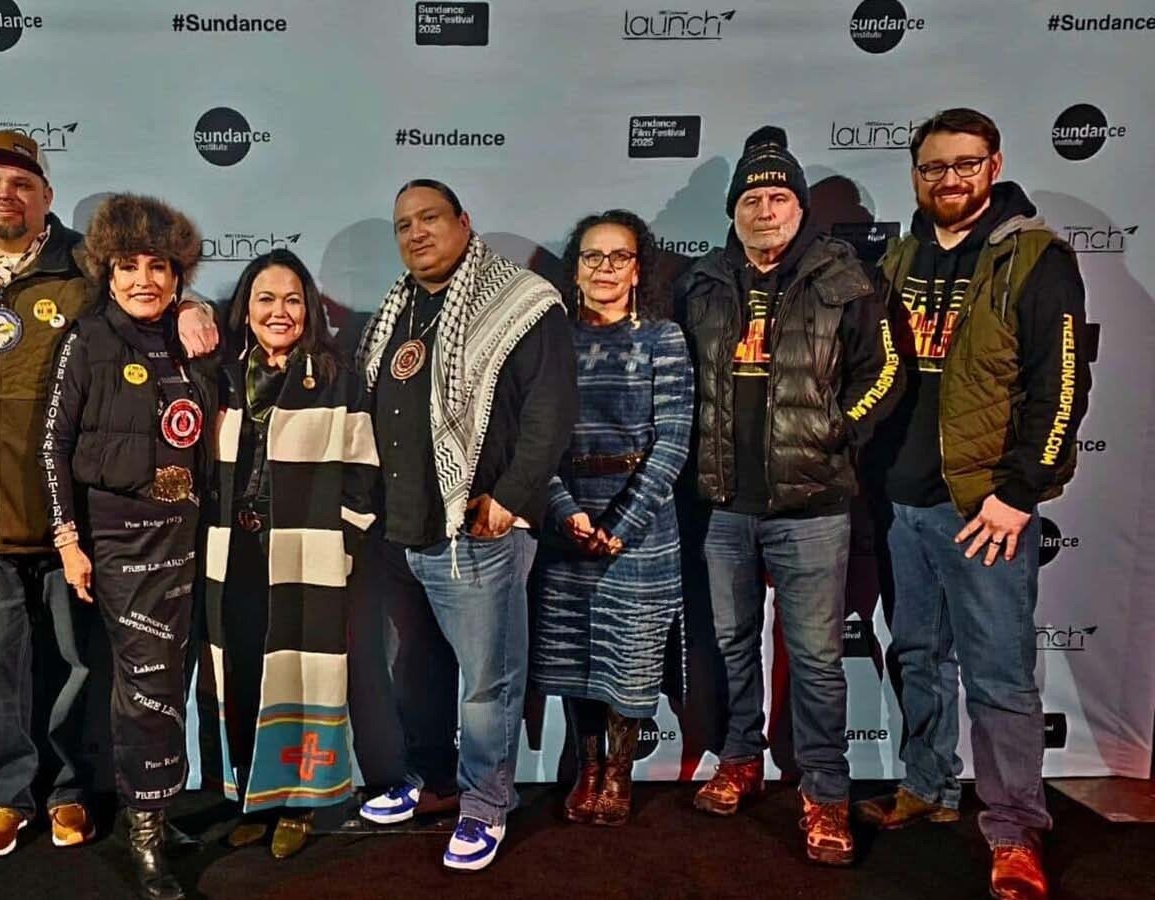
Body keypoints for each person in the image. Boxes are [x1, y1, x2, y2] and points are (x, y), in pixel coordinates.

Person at [0, 132, 217, 857]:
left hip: (73, 517)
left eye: (22, 183)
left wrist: (193, 304)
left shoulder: (86, 266)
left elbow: (149, 287)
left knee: (78, 667)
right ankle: (6, 798)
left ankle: (69, 793)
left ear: (47, 194)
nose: (5, 196)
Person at [856, 108, 1090, 900]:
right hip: (900, 501)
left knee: (999, 677)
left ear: (992, 165)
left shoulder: (1034, 258)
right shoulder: (899, 253)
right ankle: (927, 785)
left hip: (983, 510)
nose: (948, 180)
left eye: (964, 164)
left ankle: (1015, 830)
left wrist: (1020, 493)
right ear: (916, 174)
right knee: (918, 654)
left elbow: (1061, 386)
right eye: (933, 168)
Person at [679, 126, 902, 866]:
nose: (764, 210)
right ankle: (741, 757)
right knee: (735, 644)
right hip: (724, 506)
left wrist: (836, 435)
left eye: (778, 197)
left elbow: (885, 376)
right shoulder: (704, 283)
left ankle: (826, 794)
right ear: (733, 209)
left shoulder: (846, 279)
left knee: (815, 658)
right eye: (751, 197)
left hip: (814, 507)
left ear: (801, 207)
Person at [353, 179, 577, 871]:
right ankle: (437, 782)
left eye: (429, 219)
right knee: (415, 671)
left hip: (479, 529)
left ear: (463, 222)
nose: (416, 233)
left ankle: (485, 805)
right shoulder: (396, 311)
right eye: (403, 225)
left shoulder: (522, 303)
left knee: (488, 682)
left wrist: (512, 497)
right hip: (401, 528)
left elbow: (551, 411)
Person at [40, 194, 218, 900]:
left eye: (159, 266)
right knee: (144, 681)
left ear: (177, 275)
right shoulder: (86, 339)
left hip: (187, 533)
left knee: (169, 680)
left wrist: (196, 310)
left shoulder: (191, 338)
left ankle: (154, 809)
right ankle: (142, 831)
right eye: (128, 266)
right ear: (105, 272)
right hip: (117, 538)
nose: (144, 278)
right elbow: (52, 446)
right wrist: (68, 541)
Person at [203, 249, 378, 860]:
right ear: (245, 311)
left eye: (292, 299)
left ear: (309, 309)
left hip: (307, 557)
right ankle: (254, 797)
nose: (279, 312)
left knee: (304, 681)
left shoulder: (337, 379)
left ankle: (300, 802)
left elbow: (362, 476)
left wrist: (343, 547)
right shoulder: (219, 377)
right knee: (244, 675)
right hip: (234, 555)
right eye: (265, 300)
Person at [530, 210, 692, 827]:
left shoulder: (663, 338)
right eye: (593, 257)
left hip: (642, 528)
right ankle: (588, 768)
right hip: (565, 521)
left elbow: (674, 440)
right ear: (575, 269)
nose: (604, 269)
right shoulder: (552, 341)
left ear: (637, 268)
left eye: (617, 257)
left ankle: (619, 775)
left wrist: (624, 522)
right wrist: (566, 512)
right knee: (572, 654)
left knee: (629, 657)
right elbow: (532, 440)